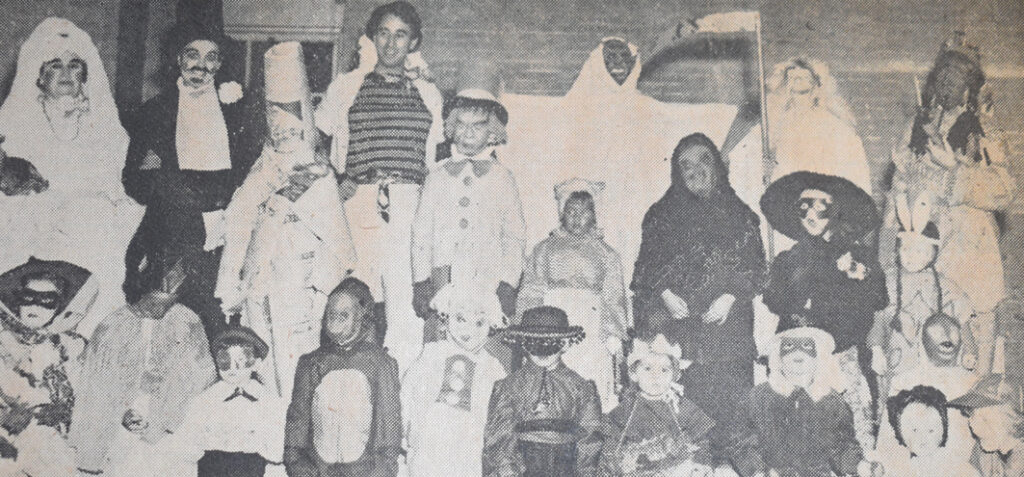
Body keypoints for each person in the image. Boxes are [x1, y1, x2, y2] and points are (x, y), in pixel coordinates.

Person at [217, 41, 356, 397]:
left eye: (291, 128)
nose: (283, 135)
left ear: (305, 127)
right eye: (276, 127)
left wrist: (321, 285)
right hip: (261, 281)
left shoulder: (317, 174)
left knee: (296, 366)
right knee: (261, 364)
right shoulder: (260, 171)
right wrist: (234, 277)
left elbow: (336, 241)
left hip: (300, 285)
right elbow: (238, 221)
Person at [316, 1, 443, 368]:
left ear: (413, 42)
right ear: (373, 37)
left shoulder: (427, 93)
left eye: (400, 35)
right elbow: (314, 139)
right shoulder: (347, 86)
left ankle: (398, 393)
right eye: (383, 33)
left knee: (404, 301)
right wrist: (333, 182)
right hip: (359, 201)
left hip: (409, 202)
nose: (390, 43)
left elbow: (433, 158)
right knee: (356, 295)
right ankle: (349, 380)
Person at [0, 17, 145, 336]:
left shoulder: (105, 129)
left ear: (86, 75)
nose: (66, 73)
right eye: (54, 65)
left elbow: (116, 188)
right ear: (38, 76)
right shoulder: (14, 126)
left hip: (90, 237)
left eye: (75, 65)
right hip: (31, 237)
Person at [122, 19, 261, 341]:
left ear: (221, 64)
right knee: (165, 322)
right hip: (172, 229)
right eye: (192, 55)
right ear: (177, 60)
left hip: (227, 229)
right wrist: (176, 186)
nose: (200, 65)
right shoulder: (155, 111)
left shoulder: (236, 111)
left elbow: (251, 169)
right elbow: (136, 180)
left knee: (216, 321)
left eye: (211, 57)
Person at [632, 133, 766, 461]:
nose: (695, 170)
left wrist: (731, 296)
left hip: (729, 340)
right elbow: (644, 270)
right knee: (685, 430)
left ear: (717, 166)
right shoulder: (660, 215)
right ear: (677, 173)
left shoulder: (742, 216)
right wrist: (663, 293)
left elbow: (758, 268)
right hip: (681, 341)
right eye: (686, 165)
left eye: (703, 160)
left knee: (734, 426)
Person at [888, 33, 1013, 375]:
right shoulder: (916, 125)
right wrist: (901, 176)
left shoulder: (985, 130)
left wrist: (955, 168)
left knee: (974, 343)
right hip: (921, 250)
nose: (949, 80)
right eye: (944, 72)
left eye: (959, 74)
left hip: (968, 252)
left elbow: (1005, 189)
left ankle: (982, 415)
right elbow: (900, 194)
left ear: (971, 86)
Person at [761, 171, 887, 452]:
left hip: (844, 357)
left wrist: (854, 273)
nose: (811, 214)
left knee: (855, 431)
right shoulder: (788, 260)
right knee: (801, 433)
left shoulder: (859, 256)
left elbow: (878, 299)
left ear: (837, 210)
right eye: (803, 206)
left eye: (821, 205)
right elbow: (774, 300)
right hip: (799, 358)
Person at [411, 65, 525, 356]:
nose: (468, 133)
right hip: (444, 277)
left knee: (487, 350)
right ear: (450, 126)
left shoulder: (503, 178)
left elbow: (515, 237)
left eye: (478, 126)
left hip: (489, 277)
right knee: (442, 348)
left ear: (492, 132)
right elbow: (421, 234)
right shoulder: (435, 176)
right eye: (461, 124)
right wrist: (421, 281)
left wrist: (507, 284)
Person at [70, 263, 217, 476]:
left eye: (169, 303)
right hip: (120, 421)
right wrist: (121, 410)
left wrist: (165, 419)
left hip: (170, 421)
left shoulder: (187, 321)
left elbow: (201, 379)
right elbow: (95, 385)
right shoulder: (113, 325)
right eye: (154, 302)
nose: (161, 310)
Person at [518, 178, 628, 410]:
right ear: (562, 213)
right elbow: (532, 289)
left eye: (585, 212)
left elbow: (613, 295)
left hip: (591, 324)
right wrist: (530, 328)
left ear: (594, 215)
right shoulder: (544, 249)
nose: (578, 218)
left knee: (587, 376)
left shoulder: (606, 254)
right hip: (552, 320)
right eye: (571, 211)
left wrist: (613, 334)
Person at [283, 277, 401, 477]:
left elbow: (389, 425)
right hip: (319, 471)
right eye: (332, 313)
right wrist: (297, 465)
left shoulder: (380, 363)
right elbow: (298, 420)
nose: (336, 319)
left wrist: (382, 471)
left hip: (364, 471)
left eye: (344, 314)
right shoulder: (311, 363)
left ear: (362, 317)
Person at [764, 57, 872, 255]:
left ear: (817, 86)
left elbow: (856, 173)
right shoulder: (780, 129)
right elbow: (781, 176)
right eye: (792, 78)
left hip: (826, 214)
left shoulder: (834, 126)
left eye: (804, 77)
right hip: (796, 218)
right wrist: (770, 173)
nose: (797, 82)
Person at [871, 191, 977, 389]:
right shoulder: (888, 281)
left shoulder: (945, 286)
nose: (911, 256)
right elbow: (877, 318)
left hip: (937, 362)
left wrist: (969, 351)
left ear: (932, 255)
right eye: (905, 249)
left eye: (919, 251)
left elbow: (962, 322)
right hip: (899, 358)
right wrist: (876, 350)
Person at [401, 283, 507, 477]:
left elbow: (501, 414)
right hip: (430, 441)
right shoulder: (432, 354)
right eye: (461, 319)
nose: (469, 330)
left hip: (469, 448)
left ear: (491, 325)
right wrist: (405, 431)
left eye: (479, 323)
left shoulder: (492, 368)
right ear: (446, 317)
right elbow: (408, 393)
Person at [483, 306, 603, 476]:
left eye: (550, 343)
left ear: (565, 344)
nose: (542, 351)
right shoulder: (508, 387)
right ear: (523, 342)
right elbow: (500, 440)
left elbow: (590, 440)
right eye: (534, 342)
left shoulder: (581, 388)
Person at [0, 261, 95, 476]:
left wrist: (65, 410)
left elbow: (91, 391)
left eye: (46, 301)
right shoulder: (2, 342)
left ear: (59, 306)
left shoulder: (70, 346)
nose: (35, 307)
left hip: (50, 439)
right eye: (28, 298)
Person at [732, 327, 867, 477]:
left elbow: (842, 446)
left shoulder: (830, 400)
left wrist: (858, 465)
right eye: (791, 357)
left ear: (817, 361)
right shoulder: (758, 398)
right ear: (779, 360)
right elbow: (742, 444)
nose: (799, 364)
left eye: (806, 357)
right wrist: (758, 471)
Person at [164, 326, 288, 477]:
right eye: (225, 361)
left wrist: (255, 441)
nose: (232, 368)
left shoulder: (268, 402)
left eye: (241, 361)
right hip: (213, 468)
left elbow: (278, 448)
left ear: (256, 363)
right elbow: (186, 442)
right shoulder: (206, 400)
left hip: (252, 468)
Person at [599, 333, 715, 477]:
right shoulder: (623, 412)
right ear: (634, 374)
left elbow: (701, 443)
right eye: (647, 369)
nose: (656, 376)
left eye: (664, 370)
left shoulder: (682, 407)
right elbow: (610, 451)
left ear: (675, 375)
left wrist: (701, 463)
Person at [883, 386, 979, 477]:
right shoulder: (900, 470)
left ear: (943, 430)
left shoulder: (960, 469)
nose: (922, 438)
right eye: (914, 430)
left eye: (931, 430)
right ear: (900, 431)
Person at [949, 374, 1024, 476]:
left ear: (1013, 417)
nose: (974, 428)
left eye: (985, 420)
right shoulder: (982, 454)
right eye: (972, 416)